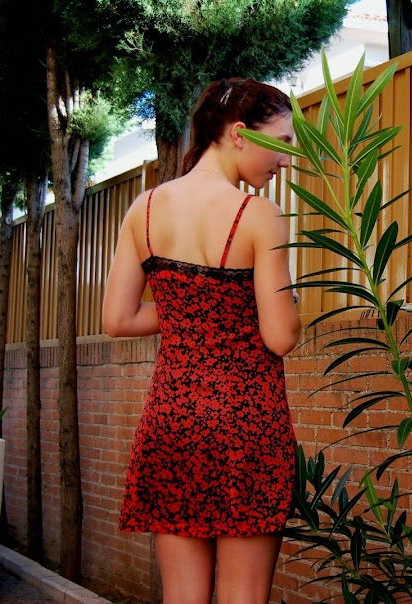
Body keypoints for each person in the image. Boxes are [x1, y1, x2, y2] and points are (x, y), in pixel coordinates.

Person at [102, 78, 301, 604]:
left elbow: (118, 318)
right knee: (243, 596)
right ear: (239, 134)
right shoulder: (259, 215)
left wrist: (190, 310)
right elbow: (280, 335)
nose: (286, 161)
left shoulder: (144, 209)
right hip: (246, 424)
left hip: (172, 420)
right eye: (281, 143)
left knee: (183, 596)